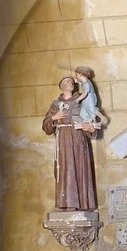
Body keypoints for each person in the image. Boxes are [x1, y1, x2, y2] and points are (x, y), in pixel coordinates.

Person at [42, 74, 99, 212]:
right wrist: (54, 119)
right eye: (67, 81)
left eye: (72, 81)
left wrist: (91, 128)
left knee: (80, 168)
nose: (71, 82)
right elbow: (46, 127)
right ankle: (68, 203)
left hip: (78, 139)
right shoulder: (56, 104)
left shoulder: (81, 101)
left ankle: (83, 204)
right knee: (66, 170)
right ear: (61, 86)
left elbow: (91, 119)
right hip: (63, 141)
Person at [73, 65, 106, 131]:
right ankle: (88, 123)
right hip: (85, 102)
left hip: (90, 101)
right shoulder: (84, 82)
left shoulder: (87, 84)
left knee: (92, 110)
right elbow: (81, 83)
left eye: (76, 75)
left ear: (81, 74)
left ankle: (102, 118)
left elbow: (85, 93)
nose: (76, 76)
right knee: (83, 113)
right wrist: (76, 81)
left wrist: (78, 99)